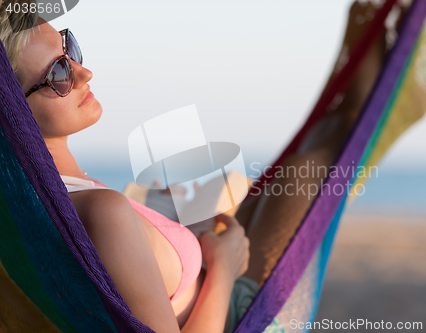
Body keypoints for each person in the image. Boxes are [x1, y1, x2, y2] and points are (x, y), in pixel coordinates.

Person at [0, 0, 402, 331]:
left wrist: (182, 232)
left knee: (307, 155)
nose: (85, 72)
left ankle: (372, 25)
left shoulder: (42, 204)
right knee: (322, 154)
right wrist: (224, 268)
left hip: (218, 280)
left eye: (70, 49)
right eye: (58, 73)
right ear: (13, 112)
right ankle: (377, 23)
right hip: (243, 313)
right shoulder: (99, 211)